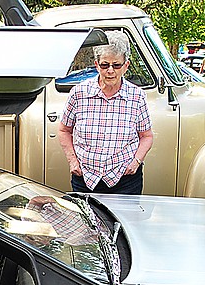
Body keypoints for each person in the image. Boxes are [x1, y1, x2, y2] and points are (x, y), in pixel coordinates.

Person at [57, 31, 153, 195]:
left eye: (116, 65)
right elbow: (64, 130)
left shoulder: (137, 97)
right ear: (96, 65)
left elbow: (147, 136)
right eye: (104, 65)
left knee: (123, 221)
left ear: (126, 66)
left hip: (125, 180)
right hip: (86, 178)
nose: (110, 71)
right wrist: (73, 161)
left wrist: (136, 162)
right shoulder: (79, 93)